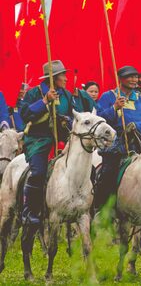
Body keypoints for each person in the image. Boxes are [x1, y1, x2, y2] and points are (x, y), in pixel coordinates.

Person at [19, 61, 89, 226]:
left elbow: (73, 116)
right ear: (53, 78)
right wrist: (44, 101)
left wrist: (67, 120)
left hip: (63, 140)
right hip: (39, 140)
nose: (66, 78)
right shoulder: (34, 93)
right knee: (38, 172)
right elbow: (25, 114)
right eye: (63, 75)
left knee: (86, 167)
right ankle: (29, 210)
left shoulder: (66, 95)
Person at [94, 66, 141, 210]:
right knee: (108, 175)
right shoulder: (108, 96)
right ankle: (103, 208)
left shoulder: (140, 100)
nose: (134, 80)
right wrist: (114, 108)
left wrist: (136, 125)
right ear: (121, 79)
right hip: (115, 144)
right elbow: (98, 119)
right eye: (130, 76)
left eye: (136, 76)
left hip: (139, 144)